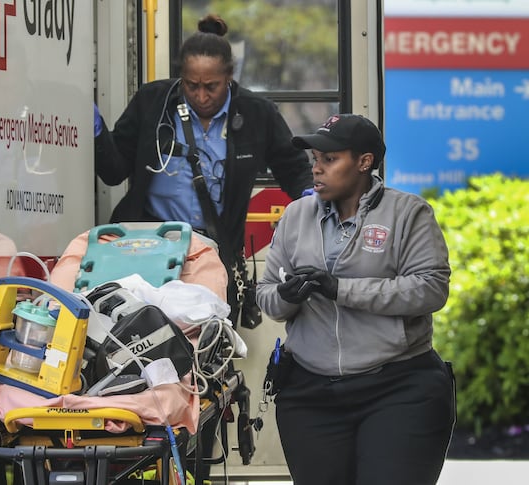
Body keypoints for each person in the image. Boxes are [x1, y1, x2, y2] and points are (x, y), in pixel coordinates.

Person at [255, 113, 456, 485]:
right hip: (310, 393)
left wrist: (340, 289)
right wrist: (286, 296)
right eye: (314, 160)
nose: (317, 170)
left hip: (398, 387)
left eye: (329, 160)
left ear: (365, 162)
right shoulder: (296, 215)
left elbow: (430, 288)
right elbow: (267, 294)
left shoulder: (408, 213)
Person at [94, 14, 312, 323]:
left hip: (213, 255)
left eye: (212, 86)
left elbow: (293, 168)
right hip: (147, 252)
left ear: (230, 76)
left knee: (207, 348)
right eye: (191, 85)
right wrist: (97, 132)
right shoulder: (152, 101)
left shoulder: (257, 113)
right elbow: (114, 171)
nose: (201, 96)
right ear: (180, 76)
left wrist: (311, 197)